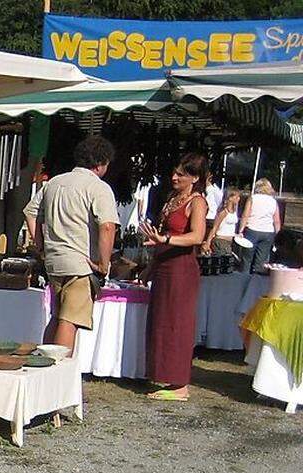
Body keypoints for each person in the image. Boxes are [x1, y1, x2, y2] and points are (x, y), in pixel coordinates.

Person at [32, 136, 119, 354]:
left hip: (55, 260)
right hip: (81, 263)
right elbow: (107, 227)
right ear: (101, 163)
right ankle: (59, 373)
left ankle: (45, 367)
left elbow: (31, 213)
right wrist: (103, 262)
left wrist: (40, 246)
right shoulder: (98, 187)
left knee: (58, 316)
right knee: (69, 320)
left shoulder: (54, 182)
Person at [139, 153, 208, 401]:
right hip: (165, 266)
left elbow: (197, 236)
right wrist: (150, 267)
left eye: (181, 174)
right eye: (175, 172)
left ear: (195, 178)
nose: (174, 177)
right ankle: (163, 373)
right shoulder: (172, 198)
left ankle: (180, 384)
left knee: (177, 324)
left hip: (181, 269)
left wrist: (166, 239)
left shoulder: (197, 202)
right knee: (161, 321)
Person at [236, 178, 282, 274]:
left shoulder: (253, 198)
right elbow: (277, 221)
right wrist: (277, 235)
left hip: (252, 230)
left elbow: (245, 215)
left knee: (246, 260)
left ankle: (243, 281)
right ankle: (257, 281)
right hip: (268, 232)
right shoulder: (273, 201)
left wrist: (240, 230)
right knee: (261, 262)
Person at [202, 187, 241, 257]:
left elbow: (229, 227)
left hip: (230, 241)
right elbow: (215, 228)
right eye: (237, 197)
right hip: (221, 241)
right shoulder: (223, 212)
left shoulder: (234, 211)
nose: (239, 199)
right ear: (230, 198)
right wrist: (208, 242)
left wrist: (236, 235)